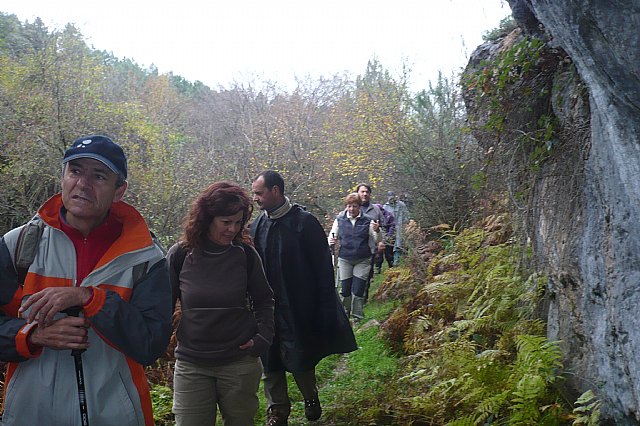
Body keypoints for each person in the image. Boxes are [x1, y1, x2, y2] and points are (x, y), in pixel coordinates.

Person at [0, 135, 172, 425]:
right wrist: (32, 336)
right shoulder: (17, 246)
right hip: (31, 414)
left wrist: (91, 299)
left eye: (99, 176)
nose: (83, 183)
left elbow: (151, 344)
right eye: (75, 170)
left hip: (116, 416)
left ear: (119, 191)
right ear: (63, 177)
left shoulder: (145, 258)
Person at [250, 170, 357, 426]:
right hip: (266, 309)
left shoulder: (304, 223)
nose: (255, 198)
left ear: (275, 191)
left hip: (298, 306)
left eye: (259, 193)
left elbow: (322, 268)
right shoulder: (257, 226)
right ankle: (277, 411)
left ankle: (310, 397)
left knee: (299, 356)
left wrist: (323, 307)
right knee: (270, 360)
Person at [166, 181, 275, 426]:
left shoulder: (245, 255)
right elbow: (163, 305)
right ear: (207, 219)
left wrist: (262, 339)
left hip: (239, 363)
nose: (232, 229)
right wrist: (157, 344)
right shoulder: (181, 254)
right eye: (226, 222)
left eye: (238, 223)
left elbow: (264, 300)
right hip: (191, 364)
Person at [329, 193, 381, 322]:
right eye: (349, 206)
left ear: (360, 207)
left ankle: (357, 317)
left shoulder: (368, 220)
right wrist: (331, 240)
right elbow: (332, 236)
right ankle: (344, 315)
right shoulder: (340, 220)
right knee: (345, 289)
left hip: (363, 259)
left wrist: (377, 231)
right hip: (345, 258)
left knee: (358, 289)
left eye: (354, 206)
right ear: (346, 206)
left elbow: (377, 240)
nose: (351, 209)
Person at [355, 183, 385, 299]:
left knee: (366, 275)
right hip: (353, 248)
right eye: (362, 191)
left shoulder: (376, 210)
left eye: (367, 192)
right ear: (357, 193)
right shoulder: (351, 208)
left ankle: (363, 299)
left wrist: (382, 242)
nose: (365, 194)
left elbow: (383, 226)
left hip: (370, 248)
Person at [383, 191, 410, 266]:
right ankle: (391, 264)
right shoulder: (385, 207)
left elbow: (406, 215)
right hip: (390, 230)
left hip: (401, 228)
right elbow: (384, 219)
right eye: (389, 196)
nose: (391, 198)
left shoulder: (401, 205)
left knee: (400, 244)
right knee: (389, 246)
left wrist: (406, 225)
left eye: (393, 196)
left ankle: (399, 261)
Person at [373, 203, 396, 274]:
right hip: (377, 236)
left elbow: (393, 225)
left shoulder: (389, 215)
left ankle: (391, 267)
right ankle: (377, 268)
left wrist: (389, 236)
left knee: (389, 253)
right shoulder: (372, 215)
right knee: (378, 253)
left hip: (388, 236)